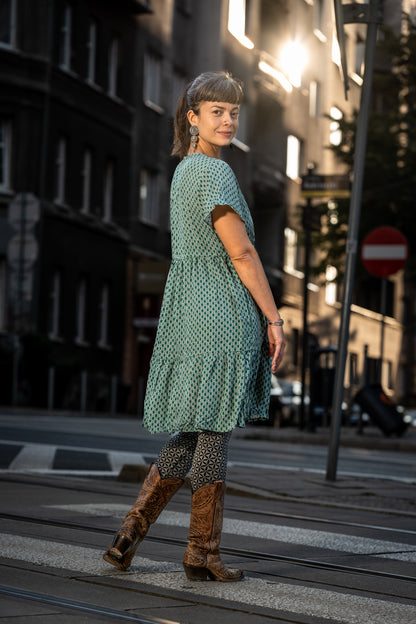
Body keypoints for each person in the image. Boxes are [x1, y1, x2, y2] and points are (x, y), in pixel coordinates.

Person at [103, 71, 285, 582]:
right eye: (216, 112)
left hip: (185, 311)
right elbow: (243, 253)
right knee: (215, 434)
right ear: (193, 118)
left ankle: (129, 533)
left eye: (233, 112)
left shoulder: (183, 172)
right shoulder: (216, 175)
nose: (227, 120)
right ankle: (202, 552)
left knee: (195, 429)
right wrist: (274, 318)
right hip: (222, 311)